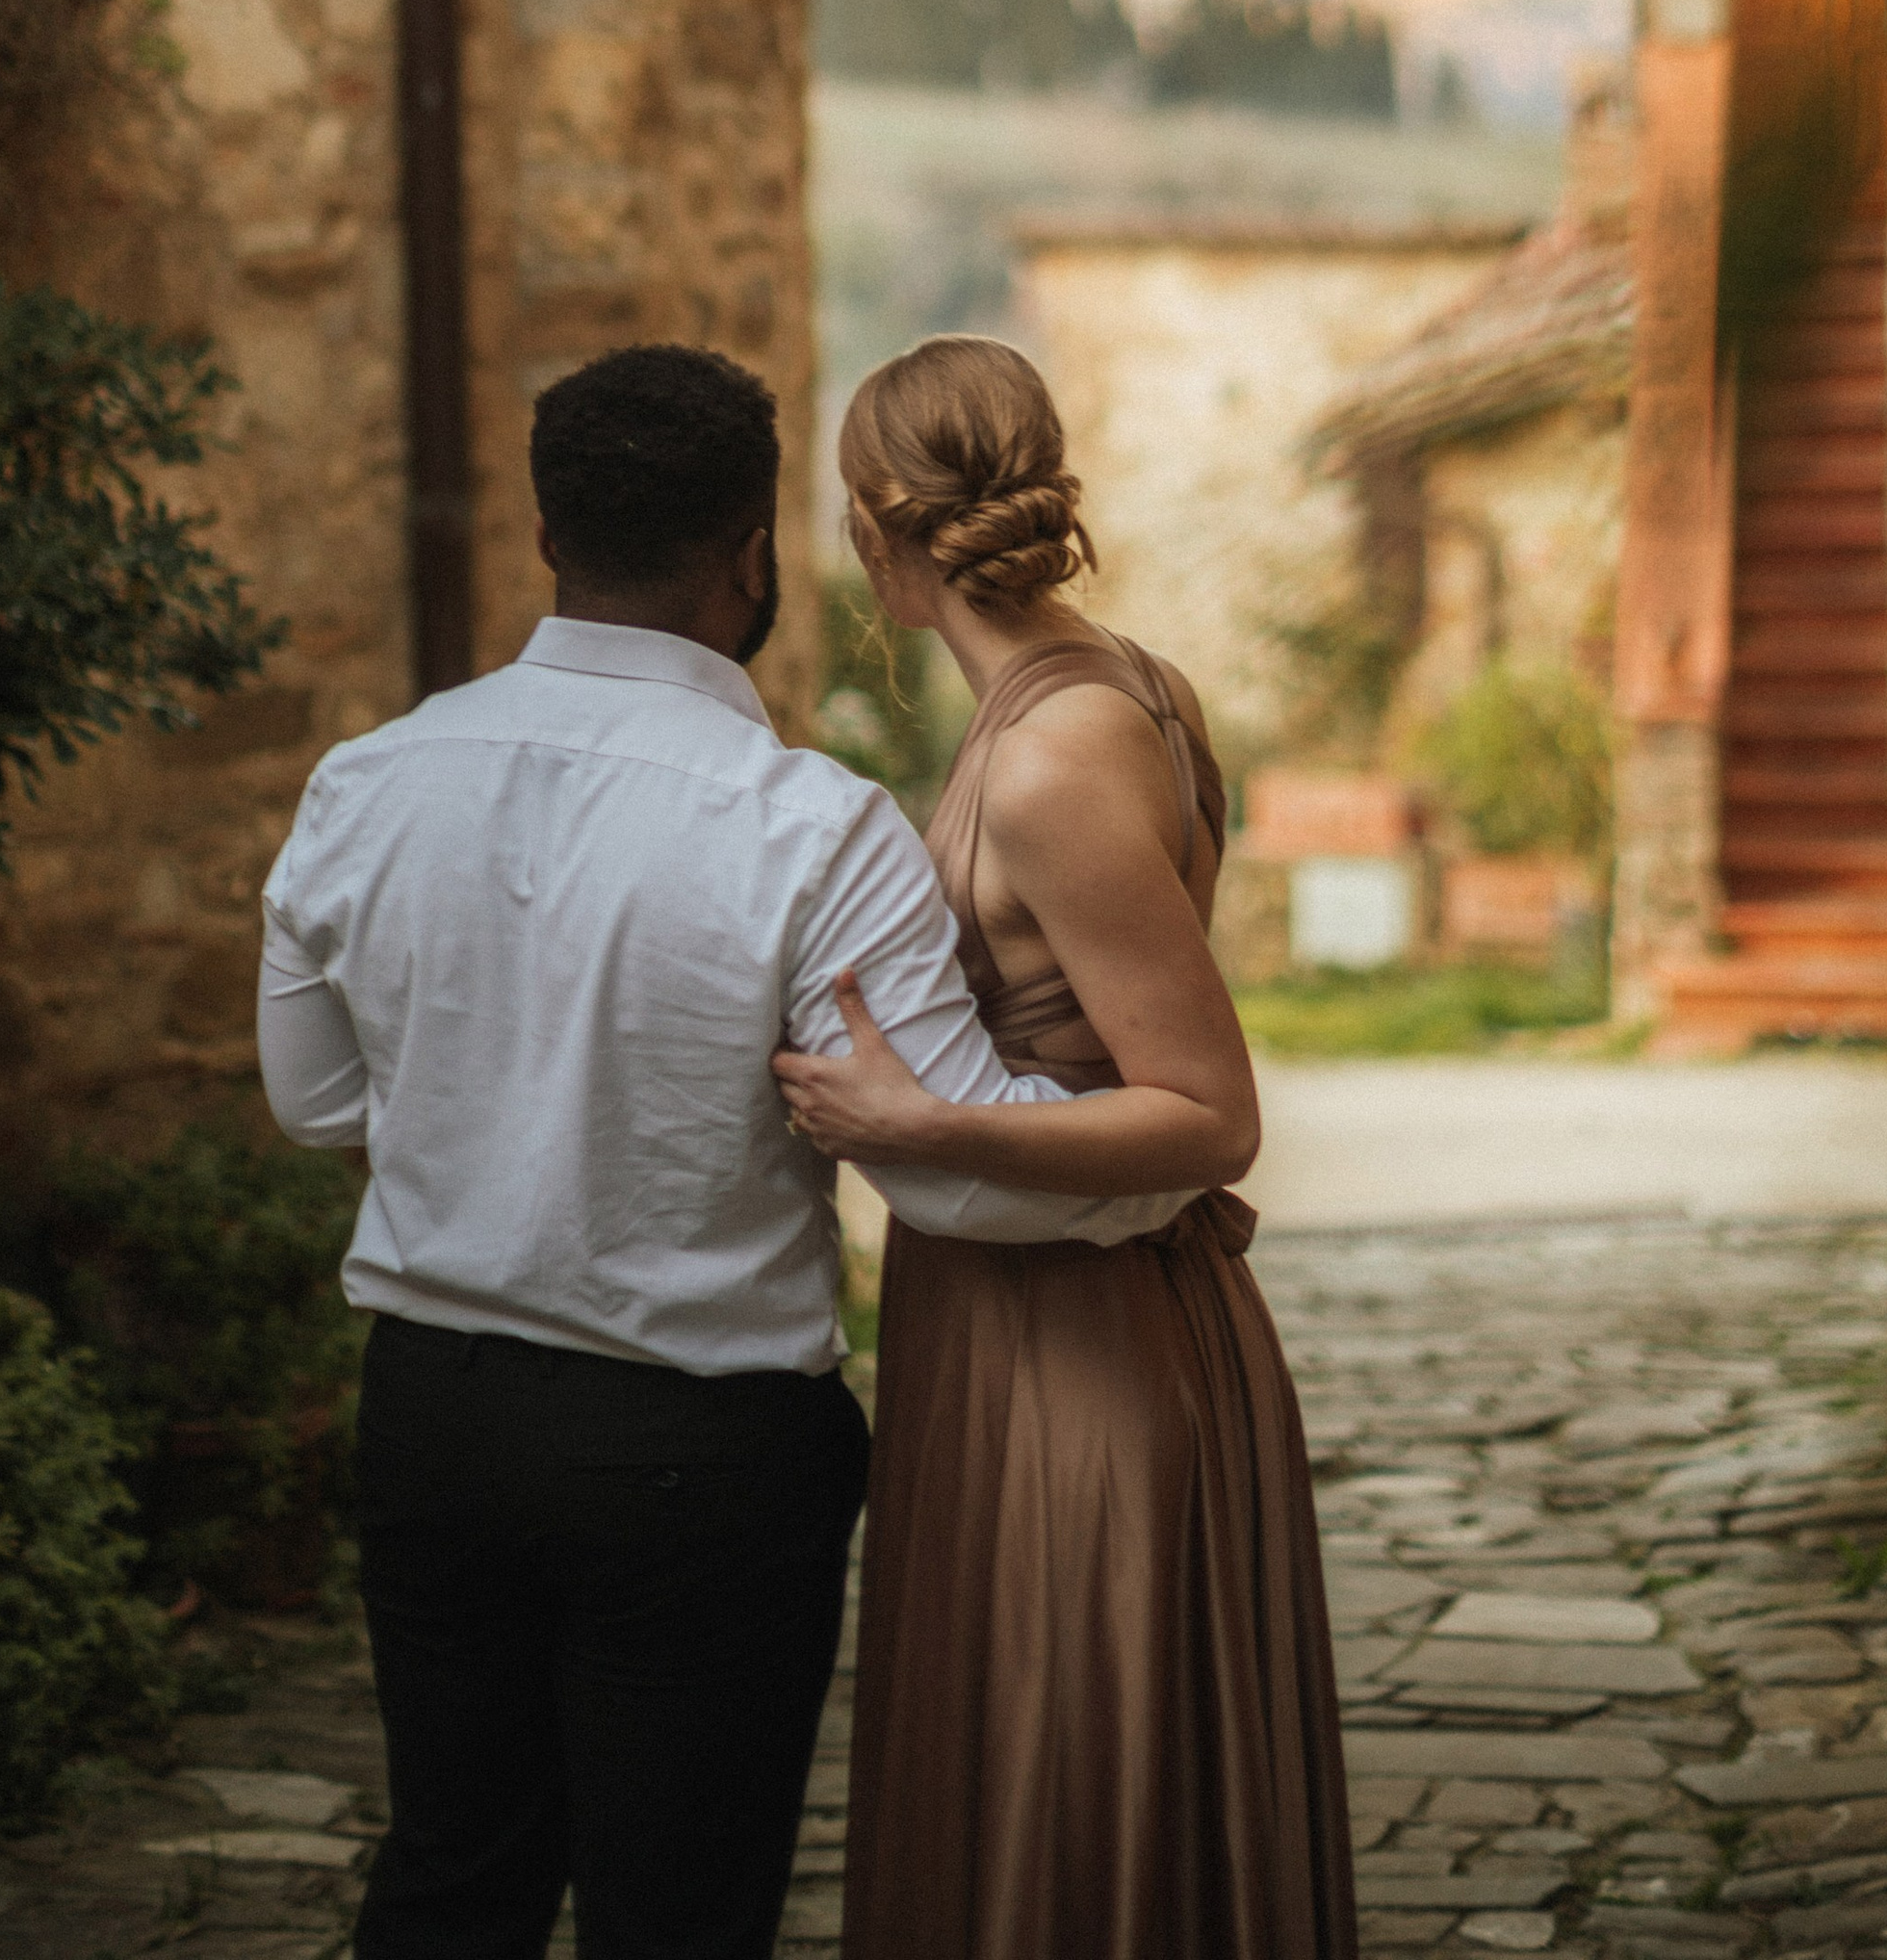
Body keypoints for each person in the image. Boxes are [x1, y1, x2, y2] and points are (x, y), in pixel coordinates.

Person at [255, 342, 1198, 1960]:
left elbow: (315, 1101)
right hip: (700, 1454)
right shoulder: (815, 828)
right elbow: (944, 1168)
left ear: (547, 537)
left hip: (434, 1418)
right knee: (679, 1914)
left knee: (451, 1874)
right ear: (753, 556)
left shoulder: (363, 782)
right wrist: (1159, 1170)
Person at [772, 335, 1357, 1960]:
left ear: (872, 530)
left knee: (1069, 1791)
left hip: (1073, 1346)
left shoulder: (1049, 761)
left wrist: (920, 1122)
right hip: (1049, 1314)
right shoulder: (1127, 682)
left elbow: (1210, 1112)